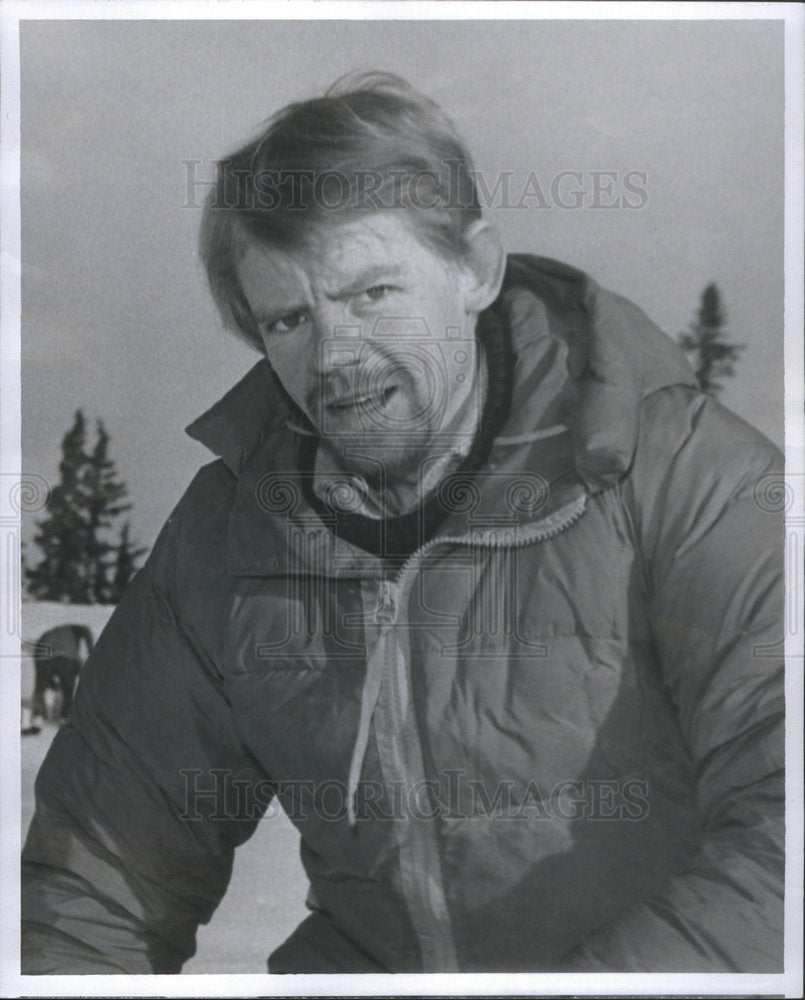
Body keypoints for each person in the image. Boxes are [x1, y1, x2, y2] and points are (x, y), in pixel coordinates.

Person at [21, 73, 784, 975]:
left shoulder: (683, 477)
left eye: (372, 293)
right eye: (290, 318)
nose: (335, 355)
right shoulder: (232, 536)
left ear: (475, 269)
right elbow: (104, 873)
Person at [22, 624, 94, 735]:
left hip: (45, 661)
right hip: (65, 659)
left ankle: (37, 719)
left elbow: (37, 657)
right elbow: (86, 630)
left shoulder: (46, 634)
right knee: (68, 689)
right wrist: (91, 650)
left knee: (40, 688)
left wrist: (49, 681)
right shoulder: (73, 629)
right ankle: (64, 717)